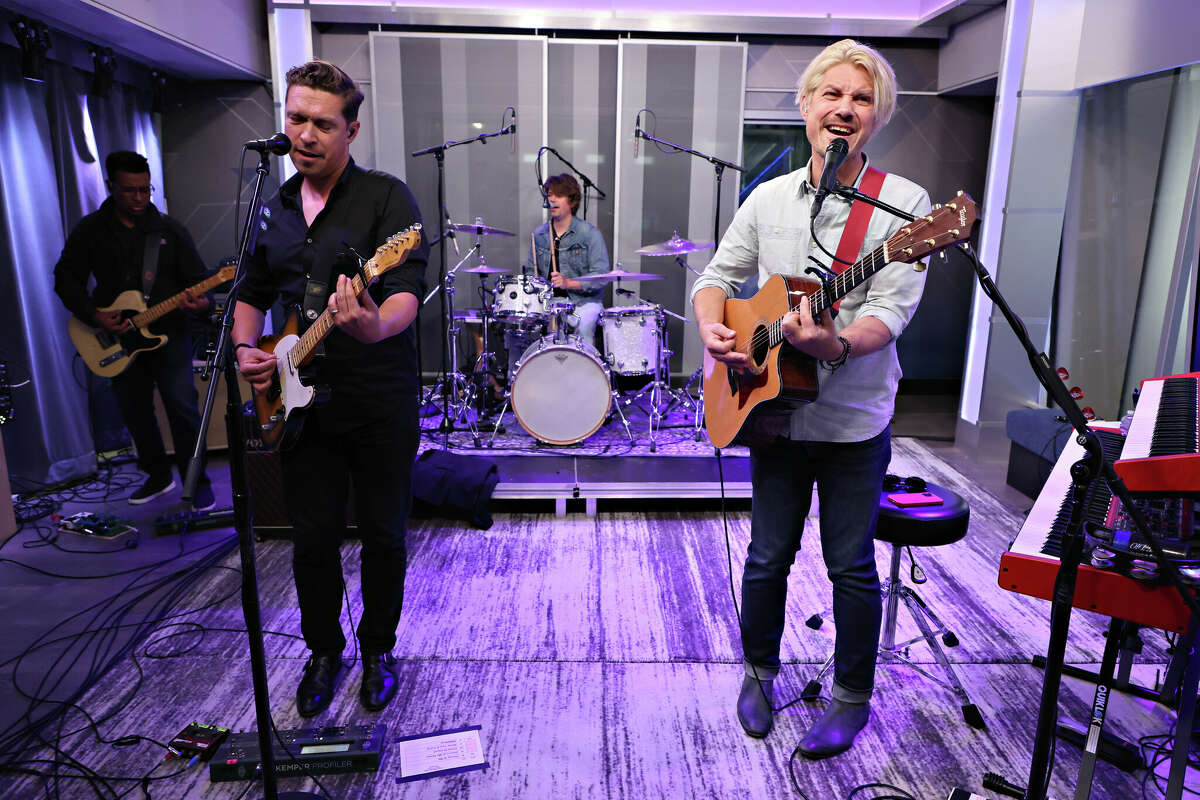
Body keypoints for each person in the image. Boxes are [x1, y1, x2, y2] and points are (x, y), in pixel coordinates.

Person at [691, 39, 931, 758]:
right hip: (771, 415)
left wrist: (835, 344)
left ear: (876, 116)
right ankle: (759, 674)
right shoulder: (767, 198)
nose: (844, 109)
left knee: (850, 566)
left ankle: (852, 697)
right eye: (833, 94)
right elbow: (717, 274)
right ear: (806, 108)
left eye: (861, 99)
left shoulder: (907, 207)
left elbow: (887, 315)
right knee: (767, 558)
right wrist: (712, 324)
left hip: (854, 421)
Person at [232, 60, 428, 717]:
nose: (306, 134)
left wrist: (373, 327)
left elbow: (405, 292)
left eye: (322, 123)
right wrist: (245, 350)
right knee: (311, 539)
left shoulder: (385, 199)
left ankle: (378, 650)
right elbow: (251, 293)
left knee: (383, 537)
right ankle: (323, 650)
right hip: (298, 405)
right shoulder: (274, 207)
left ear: (351, 130)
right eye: (295, 119)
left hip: (378, 399)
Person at [54, 150, 216, 511]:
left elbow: (200, 283)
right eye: (130, 191)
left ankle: (197, 481)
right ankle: (158, 475)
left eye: (146, 189)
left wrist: (201, 303)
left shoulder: (170, 231)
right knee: (133, 410)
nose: (141, 198)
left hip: (169, 332)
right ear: (112, 187)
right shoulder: (90, 231)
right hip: (116, 338)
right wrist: (94, 315)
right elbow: (65, 279)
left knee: (182, 407)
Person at [527, 173, 609, 343]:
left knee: (584, 325)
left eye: (559, 195)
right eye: (550, 195)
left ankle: (584, 368)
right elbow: (530, 271)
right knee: (526, 330)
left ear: (572, 201)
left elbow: (600, 276)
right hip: (550, 302)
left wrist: (568, 283)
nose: (553, 200)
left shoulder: (589, 234)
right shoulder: (539, 235)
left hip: (583, 302)